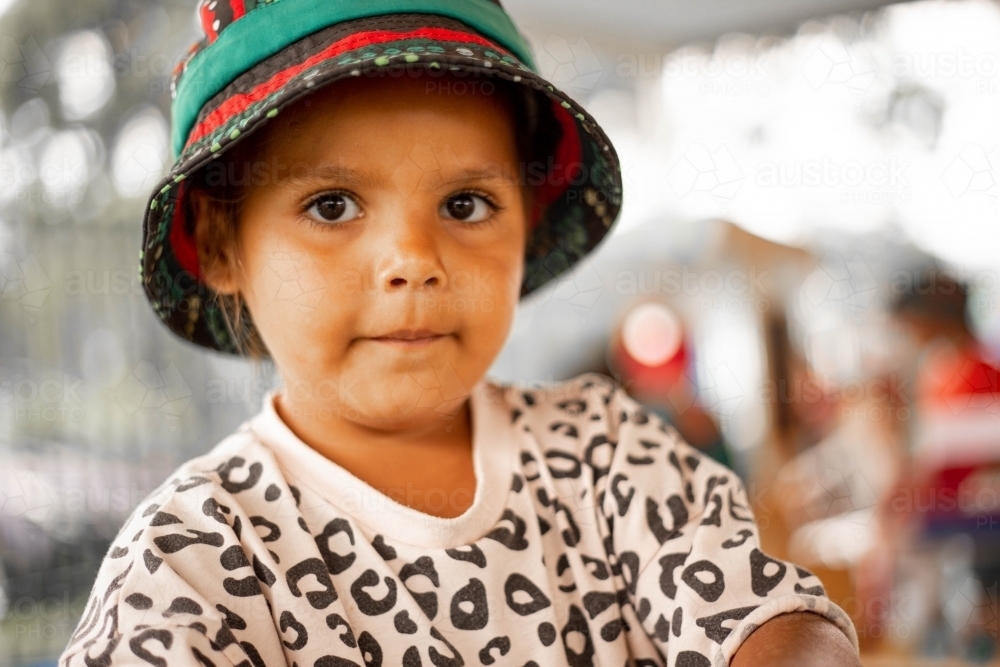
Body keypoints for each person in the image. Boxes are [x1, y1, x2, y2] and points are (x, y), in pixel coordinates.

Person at [60, 1, 861, 665]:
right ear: (222, 242)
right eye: (332, 205)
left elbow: (787, 620)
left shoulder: (609, 455)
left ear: (527, 221)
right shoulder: (192, 557)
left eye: (465, 204)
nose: (413, 260)